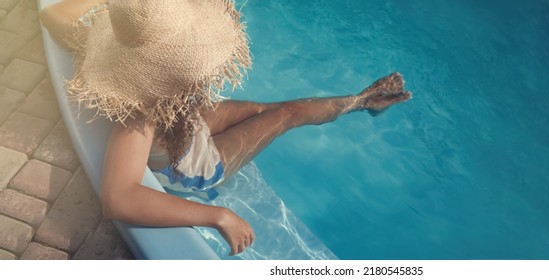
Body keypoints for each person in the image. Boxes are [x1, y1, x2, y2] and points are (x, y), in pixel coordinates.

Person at [40, 0, 411, 256]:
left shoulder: (117, 56)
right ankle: (364, 102)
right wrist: (218, 215)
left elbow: (53, 16)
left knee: (264, 109)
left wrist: (129, 14)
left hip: (189, 125)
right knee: (287, 114)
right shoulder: (143, 110)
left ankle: (361, 103)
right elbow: (118, 199)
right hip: (191, 167)